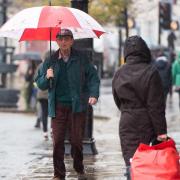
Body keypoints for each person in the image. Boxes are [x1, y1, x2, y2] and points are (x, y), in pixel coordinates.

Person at [35, 29, 100, 180]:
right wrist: (46, 76)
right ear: (56, 41)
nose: (63, 42)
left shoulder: (81, 59)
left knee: (76, 141)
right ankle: (58, 174)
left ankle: (79, 168)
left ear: (72, 41)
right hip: (58, 108)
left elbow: (93, 77)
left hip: (77, 107)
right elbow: (40, 84)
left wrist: (93, 94)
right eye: (60, 39)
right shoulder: (50, 60)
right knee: (57, 141)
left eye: (66, 39)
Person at [112, 36, 167, 180]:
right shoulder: (151, 72)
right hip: (146, 123)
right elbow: (156, 106)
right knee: (145, 162)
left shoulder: (119, 73)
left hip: (126, 121)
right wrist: (161, 132)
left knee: (131, 161)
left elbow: (117, 99)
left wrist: (127, 110)